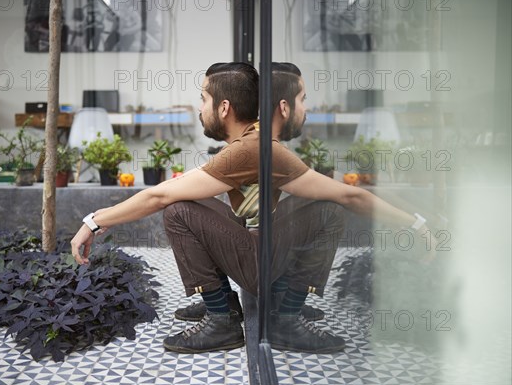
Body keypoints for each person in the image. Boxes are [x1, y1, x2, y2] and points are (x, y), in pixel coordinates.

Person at [71, 62, 434, 354]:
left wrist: (94, 222)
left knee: (179, 209)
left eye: (203, 99)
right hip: (260, 254)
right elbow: (165, 192)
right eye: (304, 99)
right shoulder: (252, 145)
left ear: (224, 107)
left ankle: (257, 320)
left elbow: (352, 196)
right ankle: (228, 305)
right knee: (187, 201)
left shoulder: (254, 147)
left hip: (261, 262)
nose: (200, 109)